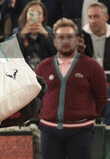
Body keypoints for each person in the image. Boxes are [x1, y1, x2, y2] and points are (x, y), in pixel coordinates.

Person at [35, 18, 108, 159]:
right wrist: (47, 112)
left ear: (77, 39)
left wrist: (86, 115)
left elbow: (102, 98)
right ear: (54, 40)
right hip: (49, 131)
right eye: (61, 37)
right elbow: (35, 96)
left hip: (81, 132)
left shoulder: (92, 66)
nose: (65, 41)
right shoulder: (43, 67)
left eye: (69, 37)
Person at [79, 2, 110, 125]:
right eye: (90, 17)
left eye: (96, 16)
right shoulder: (81, 35)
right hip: (87, 82)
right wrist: (77, 52)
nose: (92, 20)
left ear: (106, 17)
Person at [13, 0, 56, 70]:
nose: (34, 16)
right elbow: (13, 57)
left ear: (43, 18)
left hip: (44, 70)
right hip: (25, 71)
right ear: (26, 15)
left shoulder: (48, 31)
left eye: (38, 13)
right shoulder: (17, 31)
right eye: (31, 13)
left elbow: (57, 54)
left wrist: (46, 35)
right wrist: (22, 35)